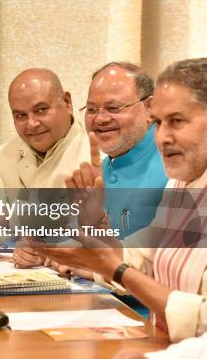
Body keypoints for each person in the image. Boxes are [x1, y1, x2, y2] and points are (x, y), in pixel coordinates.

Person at [34, 58, 207, 342]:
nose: (162, 137)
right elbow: (140, 255)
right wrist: (93, 227)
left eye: (176, 121)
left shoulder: (172, 168)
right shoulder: (180, 180)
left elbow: (200, 320)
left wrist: (113, 267)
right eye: (161, 123)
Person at [81, 62, 168, 239]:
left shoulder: (176, 165)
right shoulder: (101, 168)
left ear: (149, 108)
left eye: (114, 108)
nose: (100, 119)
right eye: (91, 110)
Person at [0, 68, 90, 188]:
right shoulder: (5, 154)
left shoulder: (99, 155)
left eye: (41, 110)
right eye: (21, 116)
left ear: (67, 102)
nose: (31, 124)